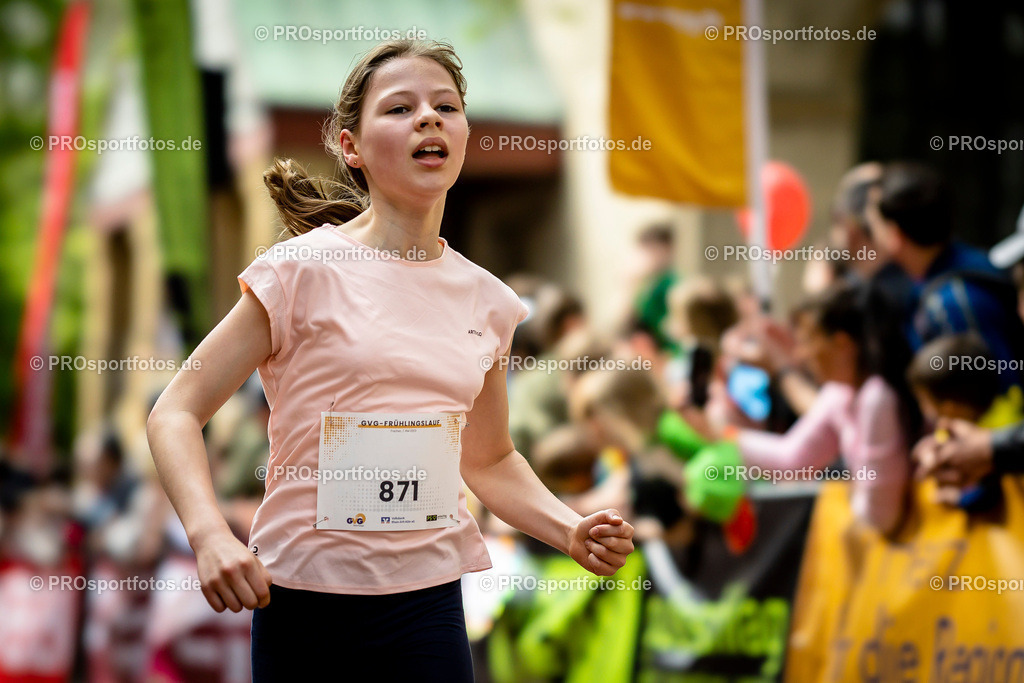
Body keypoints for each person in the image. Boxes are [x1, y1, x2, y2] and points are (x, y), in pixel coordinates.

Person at [146, 39, 634, 682]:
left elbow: (488, 459)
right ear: (351, 147)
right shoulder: (298, 273)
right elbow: (175, 411)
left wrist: (568, 529)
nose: (428, 118)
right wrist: (209, 534)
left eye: (446, 107)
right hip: (304, 604)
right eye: (400, 108)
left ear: (462, 135)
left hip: (428, 608)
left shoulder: (489, 301)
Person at [731, 283, 922, 535]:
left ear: (842, 344)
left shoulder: (878, 397)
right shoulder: (840, 393)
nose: (800, 354)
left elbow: (881, 515)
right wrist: (723, 437)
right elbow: (793, 461)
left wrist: (846, 497)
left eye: (808, 340)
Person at [865, 162, 1024, 388]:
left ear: (895, 235)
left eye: (873, 225)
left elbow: (999, 393)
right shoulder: (951, 274)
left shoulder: (953, 303)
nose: (871, 235)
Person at [907, 333, 1023, 509]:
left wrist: (958, 500)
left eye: (924, 402)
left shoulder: (996, 432)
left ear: (950, 407)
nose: (923, 410)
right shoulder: (1009, 412)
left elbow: (990, 494)